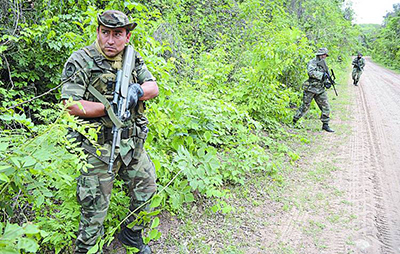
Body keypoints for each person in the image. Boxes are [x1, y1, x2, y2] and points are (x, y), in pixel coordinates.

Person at [61, 10, 158, 254]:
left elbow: (153, 87)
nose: (111, 40)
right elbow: (71, 105)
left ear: (127, 36)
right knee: (94, 210)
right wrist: (108, 108)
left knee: (147, 190)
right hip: (97, 147)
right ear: (98, 32)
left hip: (130, 145)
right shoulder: (81, 60)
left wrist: (137, 91)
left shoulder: (131, 57)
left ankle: (131, 235)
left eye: (117, 34)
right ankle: (87, 249)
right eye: (105, 33)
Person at [293, 48, 334, 132]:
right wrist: (322, 75)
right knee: (305, 107)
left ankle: (325, 125)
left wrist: (327, 82)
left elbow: (326, 75)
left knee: (326, 107)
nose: (325, 57)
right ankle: (294, 120)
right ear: (320, 54)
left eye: (326, 55)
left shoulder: (324, 63)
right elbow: (310, 73)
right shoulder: (312, 62)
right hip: (311, 88)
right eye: (324, 55)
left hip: (320, 89)